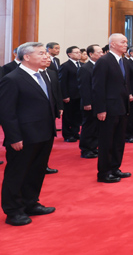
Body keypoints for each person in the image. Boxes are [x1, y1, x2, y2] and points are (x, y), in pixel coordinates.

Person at [0, 42, 61, 226]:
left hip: (45, 133)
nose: (46, 56)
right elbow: (6, 112)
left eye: (46, 53)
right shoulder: (12, 78)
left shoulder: (45, 75)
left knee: (36, 171)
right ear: (26, 57)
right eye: (41, 53)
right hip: (24, 136)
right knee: (17, 174)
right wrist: (14, 137)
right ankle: (13, 211)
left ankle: (30, 203)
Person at [92, 34, 132, 183]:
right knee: (106, 141)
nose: (126, 44)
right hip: (108, 108)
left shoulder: (124, 61)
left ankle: (115, 167)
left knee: (119, 140)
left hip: (122, 107)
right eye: (123, 42)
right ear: (113, 44)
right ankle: (104, 172)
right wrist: (100, 109)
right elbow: (98, 87)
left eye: (126, 42)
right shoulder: (104, 61)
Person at [78, 45, 101, 158]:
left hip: (99, 102)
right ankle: (86, 149)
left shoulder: (100, 66)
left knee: (97, 126)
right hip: (89, 103)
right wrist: (87, 102)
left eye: (102, 52)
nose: (101, 54)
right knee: (88, 127)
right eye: (99, 52)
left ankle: (93, 147)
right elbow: (84, 87)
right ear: (91, 54)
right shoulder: (85, 68)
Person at [58, 46, 82, 143]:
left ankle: (75, 132)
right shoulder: (65, 65)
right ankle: (67, 134)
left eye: (79, 52)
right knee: (68, 116)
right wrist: (65, 95)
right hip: (70, 95)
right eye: (76, 52)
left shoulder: (81, 64)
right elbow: (62, 81)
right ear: (69, 54)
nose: (79, 54)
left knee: (77, 115)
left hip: (79, 95)